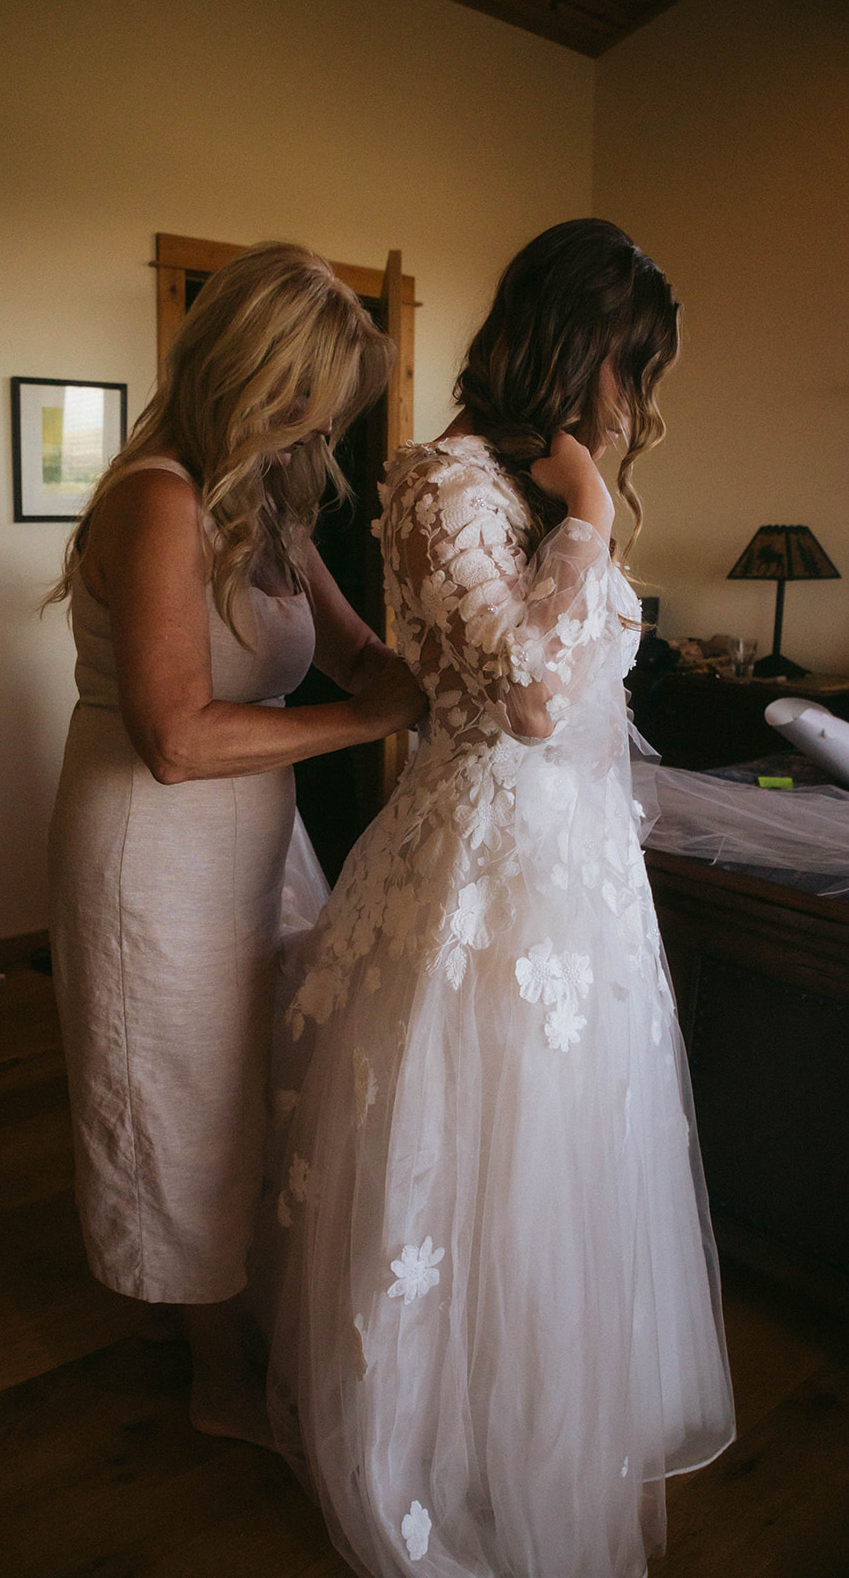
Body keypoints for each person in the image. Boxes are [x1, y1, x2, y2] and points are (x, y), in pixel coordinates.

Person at [266, 220, 736, 1577]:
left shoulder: (537, 481)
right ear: (574, 344)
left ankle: (531, 1425)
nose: (634, 398)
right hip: (483, 862)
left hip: (582, 870)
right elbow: (527, 695)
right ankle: (431, 1439)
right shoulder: (442, 480)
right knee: (466, 1150)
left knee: (564, 1161)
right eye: (627, 364)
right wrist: (586, 521)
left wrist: (579, 510)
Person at [45, 242, 426, 1450]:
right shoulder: (158, 496)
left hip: (251, 835)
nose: (312, 425)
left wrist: (415, 676)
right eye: (298, 397)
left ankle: (191, 1296)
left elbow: (345, 648)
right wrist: (362, 721)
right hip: (153, 847)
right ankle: (215, 1372)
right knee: (178, 1093)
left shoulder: (263, 496)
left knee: (248, 1074)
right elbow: (171, 734)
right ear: (243, 367)